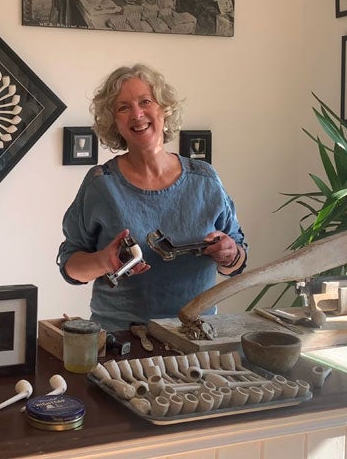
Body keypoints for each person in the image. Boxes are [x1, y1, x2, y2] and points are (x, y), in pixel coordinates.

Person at [57, 64, 247, 332]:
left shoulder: (204, 180)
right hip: (121, 339)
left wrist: (229, 254)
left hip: (198, 337)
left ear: (163, 109)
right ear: (114, 122)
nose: (137, 114)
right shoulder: (101, 185)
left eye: (145, 101)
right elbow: (70, 265)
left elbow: (237, 259)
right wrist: (104, 261)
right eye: (123, 107)